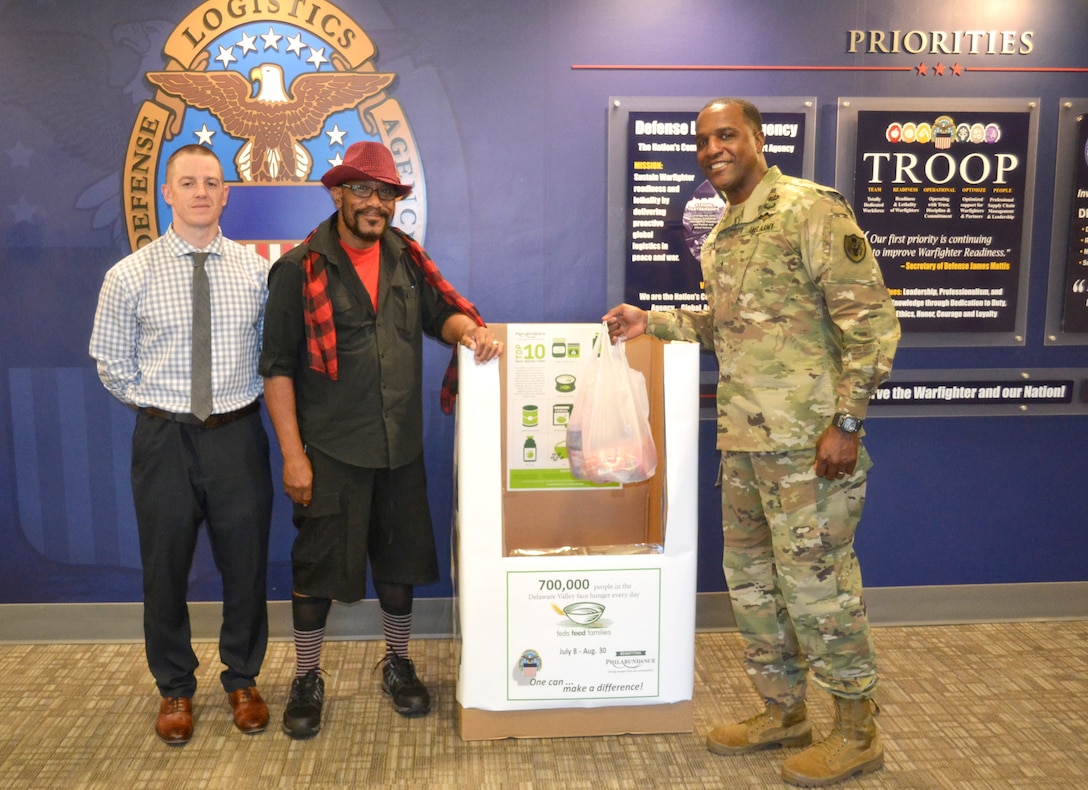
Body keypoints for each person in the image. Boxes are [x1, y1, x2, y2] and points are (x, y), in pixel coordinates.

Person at [604, 98, 900, 787]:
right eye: (703, 140)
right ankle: (783, 712)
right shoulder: (724, 231)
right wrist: (653, 320)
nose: (713, 149)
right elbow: (732, 326)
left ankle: (857, 729)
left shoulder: (808, 209)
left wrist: (846, 423)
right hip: (744, 444)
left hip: (810, 448)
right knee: (756, 588)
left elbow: (872, 325)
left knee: (819, 589)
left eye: (727, 134)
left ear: (759, 139)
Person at [259, 140, 503, 739]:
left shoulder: (407, 258)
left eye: (387, 193)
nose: (376, 203)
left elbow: (437, 317)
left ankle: (397, 661)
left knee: (399, 569)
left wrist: (467, 331)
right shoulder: (300, 269)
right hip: (332, 452)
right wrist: (293, 456)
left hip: (401, 446)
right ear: (339, 194)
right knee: (316, 573)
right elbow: (278, 369)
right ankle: (308, 676)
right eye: (364, 190)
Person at [89, 144, 274, 744]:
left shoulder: (256, 272)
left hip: (237, 436)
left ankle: (242, 678)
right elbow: (111, 364)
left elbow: (274, 358)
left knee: (245, 566)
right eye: (187, 182)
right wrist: (162, 403)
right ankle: (174, 689)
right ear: (166, 193)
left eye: (211, 183)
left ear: (226, 196)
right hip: (164, 438)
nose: (200, 191)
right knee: (163, 568)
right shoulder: (128, 275)